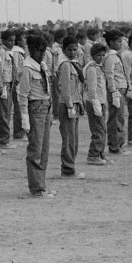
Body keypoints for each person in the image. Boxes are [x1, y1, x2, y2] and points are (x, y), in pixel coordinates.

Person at [18, 34, 55, 197]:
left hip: (45, 107)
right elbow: (23, 94)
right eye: (38, 51)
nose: (41, 54)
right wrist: (24, 117)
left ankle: (42, 184)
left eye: (43, 51)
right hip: (35, 108)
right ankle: (36, 187)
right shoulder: (27, 68)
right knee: (36, 149)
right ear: (31, 50)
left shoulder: (42, 66)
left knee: (44, 150)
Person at [56, 36, 85, 178]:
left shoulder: (74, 63)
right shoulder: (65, 65)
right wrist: (69, 106)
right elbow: (65, 87)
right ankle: (67, 168)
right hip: (68, 104)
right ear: (63, 50)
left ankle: (71, 166)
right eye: (69, 50)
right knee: (68, 138)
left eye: (75, 49)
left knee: (74, 138)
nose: (73, 52)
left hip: (75, 102)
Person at [103, 30, 130, 155]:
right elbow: (110, 75)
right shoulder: (110, 57)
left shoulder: (117, 56)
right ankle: (114, 146)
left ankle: (119, 144)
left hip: (121, 89)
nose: (121, 44)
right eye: (119, 41)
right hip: (116, 90)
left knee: (120, 118)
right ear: (111, 42)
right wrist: (113, 92)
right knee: (115, 119)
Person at [83, 43, 109, 166]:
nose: (101, 57)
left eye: (103, 55)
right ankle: (93, 155)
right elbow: (92, 88)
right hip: (95, 102)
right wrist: (95, 102)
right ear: (93, 55)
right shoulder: (92, 69)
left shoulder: (99, 67)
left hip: (101, 101)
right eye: (99, 55)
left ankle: (100, 154)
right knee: (98, 130)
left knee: (103, 129)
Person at [0, 30, 17, 150]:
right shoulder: (2, 52)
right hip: (4, 85)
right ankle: (3, 140)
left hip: (9, 83)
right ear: (4, 40)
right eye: (10, 40)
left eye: (13, 41)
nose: (12, 43)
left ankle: (4, 138)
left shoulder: (8, 52)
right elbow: (0, 71)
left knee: (7, 112)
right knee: (4, 113)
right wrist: (3, 87)